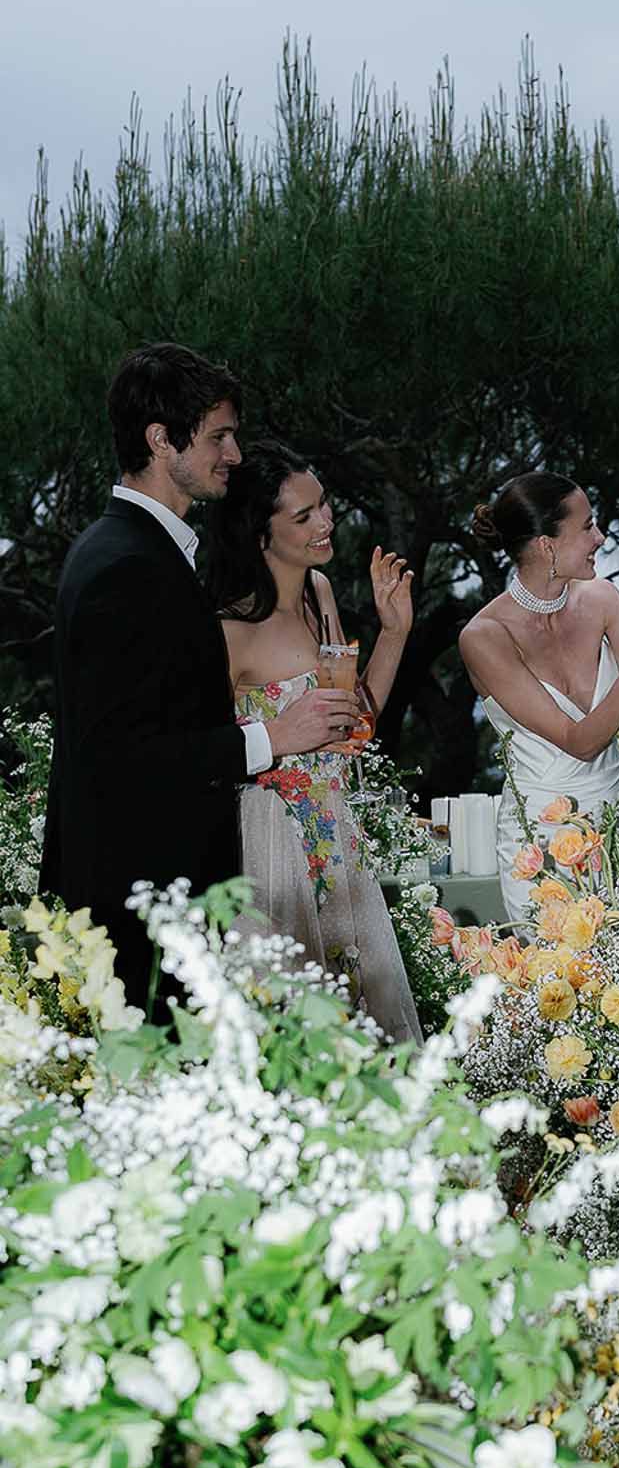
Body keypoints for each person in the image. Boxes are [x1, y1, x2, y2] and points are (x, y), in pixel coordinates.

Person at [41, 344, 353, 1011]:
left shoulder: (134, 553)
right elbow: (117, 753)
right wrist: (272, 737)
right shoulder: (125, 566)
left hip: (158, 908)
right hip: (142, 920)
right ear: (161, 440)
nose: (233, 455)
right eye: (219, 436)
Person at [202, 443, 422, 1043]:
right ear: (258, 533)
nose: (325, 523)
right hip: (272, 840)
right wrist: (274, 737)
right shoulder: (230, 627)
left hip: (335, 826)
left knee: (359, 1021)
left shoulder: (318, 592)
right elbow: (202, 750)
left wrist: (394, 632)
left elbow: (355, 720)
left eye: (323, 505)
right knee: (287, 1024)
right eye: (303, 517)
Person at [459, 473, 619, 925]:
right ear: (546, 546)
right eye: (588, 527)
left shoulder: (602, 598)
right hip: (542, 844)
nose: (600, 537)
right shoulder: (484, 636)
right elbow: (578, 740)